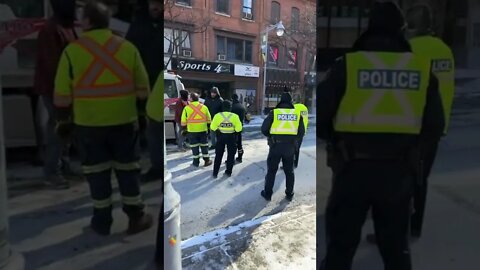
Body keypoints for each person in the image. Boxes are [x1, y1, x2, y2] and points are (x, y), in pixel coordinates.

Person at [317, 1, 445, 269]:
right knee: (396, 251)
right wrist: (412, 153)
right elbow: (434, 126)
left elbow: (321, 116)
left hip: (352, 171)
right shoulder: (421, 69)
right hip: (398, 174)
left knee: (340, 250)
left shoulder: (348, 65)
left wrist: (336, 142)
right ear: (401, 29)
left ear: (369, 27)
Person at [54, 0, 153, 235]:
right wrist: (141, 116)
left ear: (87, 22)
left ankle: (101, 222)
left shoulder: (72, 51)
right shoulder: (127, 48)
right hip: (124, 123)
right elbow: (143, 89)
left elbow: (61, 96)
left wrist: (64, 122)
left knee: (97, 175)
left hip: (89, 126)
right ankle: (136, 218)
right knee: (128, 172)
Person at [34, 0, 78, 189]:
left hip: (64, 88)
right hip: (54, 89)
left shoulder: (65, 27)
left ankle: (63, 166)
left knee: (64, 129)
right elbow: (53, 66)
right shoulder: (50, 30)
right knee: (57, 130)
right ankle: (52, 172)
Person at [261, 92, 305, 202]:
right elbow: (301, 132)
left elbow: (264, 129)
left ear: (281, 100)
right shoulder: (297, 114)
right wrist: (293, 139)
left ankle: (268, 194)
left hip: (275, 146)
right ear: (291, 101)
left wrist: (271, 137)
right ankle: (289, 194)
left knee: (271, 171)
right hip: (290, 147)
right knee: (289, 171)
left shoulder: (274, 113)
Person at [210, 100, 243, 178]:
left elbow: (212, 128)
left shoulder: (217, 116)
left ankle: (215, 173)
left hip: (221, 137)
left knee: (218, 155)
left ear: (222, 107)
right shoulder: (235, 116)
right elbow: (239, 129)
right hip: (231, 137)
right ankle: (228, 172)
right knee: (231, 155)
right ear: (230, 107)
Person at [142, 73, 164, 183]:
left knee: (155, 144)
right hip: (155, 114)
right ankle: (157, 168)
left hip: (155, 115)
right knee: (155, 144)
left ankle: (157, 168)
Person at [181, 93, 213, 167]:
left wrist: (185, 129)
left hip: (192, 131)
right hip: (203, 130)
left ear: (191, 99)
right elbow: (209, 120)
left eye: (189, 98)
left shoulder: (186, 108)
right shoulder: (204, 107)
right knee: (204, 146)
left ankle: (196, 162)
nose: (188, 99)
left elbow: (183, 123)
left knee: (194, 147)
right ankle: (207, 161)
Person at [293, 101, 308, 168]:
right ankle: (295, 163)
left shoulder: (295, 107)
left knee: (292, 148)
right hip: (303, 131)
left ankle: (291, 164)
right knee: (297, 148)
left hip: (295, 131)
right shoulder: (305, 108)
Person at [232, 94, 246, 163]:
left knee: (233, 144)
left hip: (233, 128)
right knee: (239, 143)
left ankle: (232, 158)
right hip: (240, 127)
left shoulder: (232, 107)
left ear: (232, 99)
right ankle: (240, 157)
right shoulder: (242, 106)